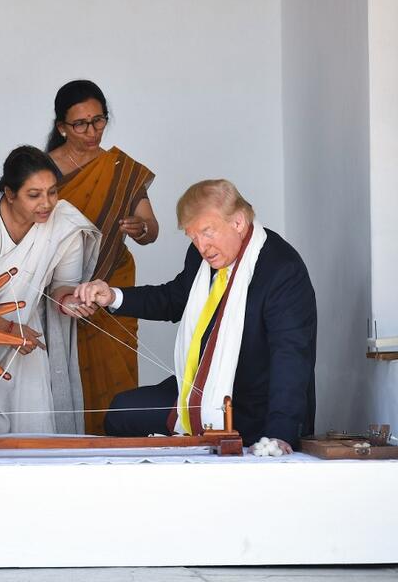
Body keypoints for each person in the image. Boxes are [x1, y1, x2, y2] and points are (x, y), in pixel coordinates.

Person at [73, 179, 316, 451]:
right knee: (121, 411)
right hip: (200, 386)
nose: (202, 247)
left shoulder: (282, 270)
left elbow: (291, 358)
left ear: (238, 222)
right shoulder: (202, 256)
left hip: (251, 403)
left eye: (207, 232)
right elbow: (175, 298)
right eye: (193, 237)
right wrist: (114, 296)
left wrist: (280, 434)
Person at [0, 145, 101, 436]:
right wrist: (7, 329)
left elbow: (63, 286)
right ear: (10, 194)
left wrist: (71, 302)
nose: (47, 203)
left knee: (34, 427)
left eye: (52, 192)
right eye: (34, 195)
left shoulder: (65, 223)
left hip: (27, 333)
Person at [46, 79, 160, 434]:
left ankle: (117, 445)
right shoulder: (44, 170)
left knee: (116, 368)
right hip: (61, 286)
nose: (92, 131)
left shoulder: (120, 168)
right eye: (80, 124)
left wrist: (141, 228)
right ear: (62, 127)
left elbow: (151, 228)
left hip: (113, 282)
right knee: (64, 367)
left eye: (99, 121)